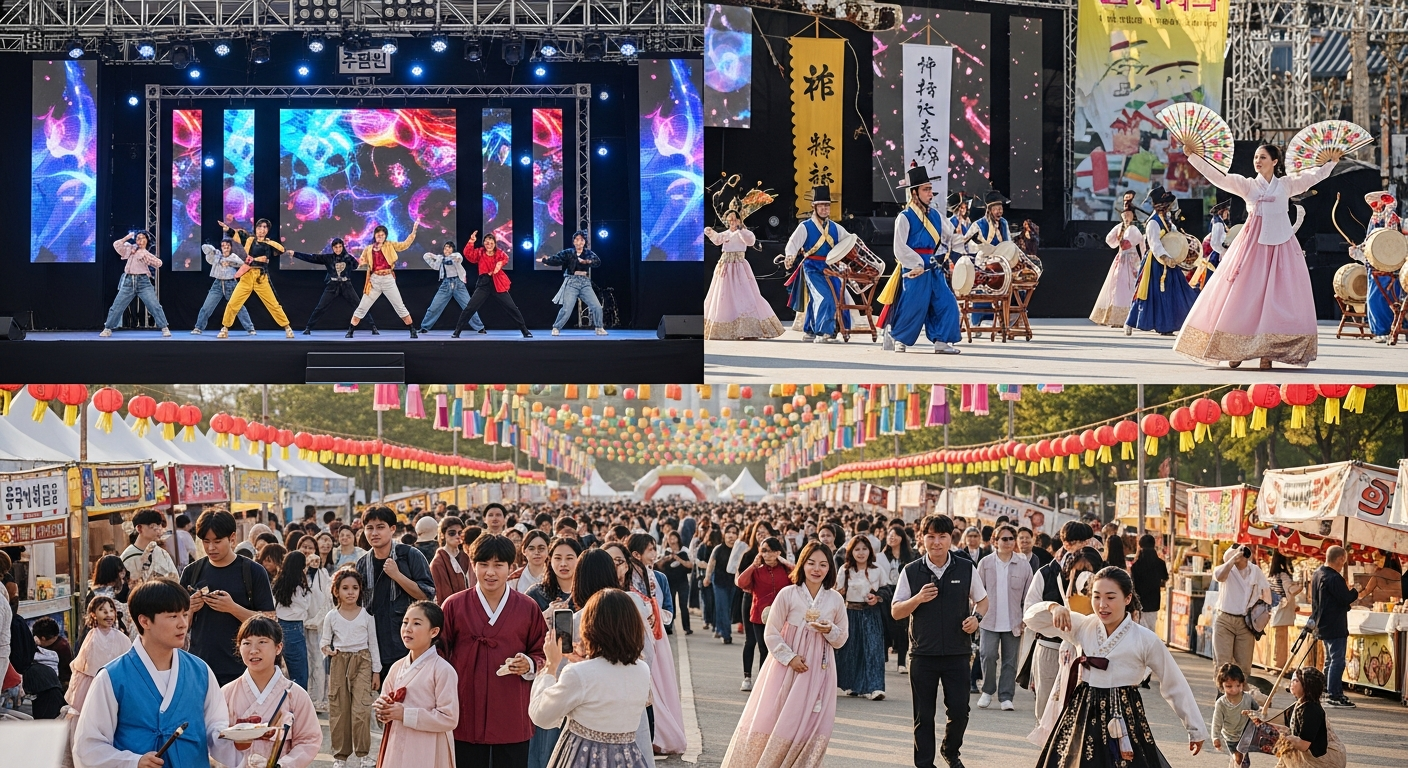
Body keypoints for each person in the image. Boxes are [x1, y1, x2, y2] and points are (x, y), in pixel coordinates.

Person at [1023, 566, 1207, 768]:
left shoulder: (1145, 639)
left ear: (1127, 598)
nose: (1102, 605)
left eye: (1110, 597)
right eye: (1097, 597)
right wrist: (1053, 607)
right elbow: (1031, 619)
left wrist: (1195, 728)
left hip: (1124, 713)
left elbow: (1173, 683)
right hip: (1083, 711)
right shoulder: (1083, 626)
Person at [1178, 143, 1342, 367]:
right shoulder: (1247, 185)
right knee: (1241, 295)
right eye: (1256, 157)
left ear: (1274, 162)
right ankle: (1234, 348)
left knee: (1278, 298)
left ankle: (1268, 353)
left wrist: (1331, 162)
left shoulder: (1286, 185)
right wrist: (1194, 158)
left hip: (1281, 245)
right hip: (1252, 246)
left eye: (1263, 157)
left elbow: (1313, 176)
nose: (1258, 161)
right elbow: (1219, 177)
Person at [71, 578, 243, 768]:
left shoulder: (200, 671)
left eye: (185, 615)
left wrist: (237, 740)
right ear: (144, 621)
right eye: (172, 616)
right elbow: (88, 747)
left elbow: (215, 727)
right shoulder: (112, 677)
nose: (182, 624)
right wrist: (133, 761)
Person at [721, 541, 848, 768]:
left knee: (815, 722)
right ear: (802, 565)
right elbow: (771, 633)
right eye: (811, 563)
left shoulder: (835, 599)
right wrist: (790, 658)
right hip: (785, 667)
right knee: (778, 717)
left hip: (819, 669)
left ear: (830, 568)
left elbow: (842, 640)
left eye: (823, 564)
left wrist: (830, 630)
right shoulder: (788, 594)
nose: (816, 569)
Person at [439, 534, 546, 768]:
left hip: (511, 708)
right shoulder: (454, 605)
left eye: (498, 565)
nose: (490, 572)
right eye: (484, 564)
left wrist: (529, 663)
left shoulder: (527, 607)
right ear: (472, 565)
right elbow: (439, 654)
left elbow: (543, 651)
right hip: (465, 706)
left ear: (511, 567)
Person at [891, 514, 989, 768]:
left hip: (958, 652)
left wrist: (976, 618)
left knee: (959, 711)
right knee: (923, 716)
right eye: (931, 536)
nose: (936, 542)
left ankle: (950, 749)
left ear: (950, 538)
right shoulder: (911, 571)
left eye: (942, 536)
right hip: (923, 654)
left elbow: (983, 600)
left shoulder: (965, 567)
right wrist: (917, 599)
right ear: (922, 538)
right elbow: (896, 611)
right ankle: (924, 763)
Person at [528, 588, 652, 768]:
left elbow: (542, 716)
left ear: (591, 627)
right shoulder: (642, 670)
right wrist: (586, 661)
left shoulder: (578, 674)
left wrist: (550, 666)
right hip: (627, 758)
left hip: (581, 757)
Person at [180, 509, 277, 687]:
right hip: (200, 667)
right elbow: (178, 625)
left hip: (243, 667)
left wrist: (232, 608)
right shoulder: (191, 572)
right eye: (206, 541)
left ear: (232, 538)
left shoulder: (253, 571)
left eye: (217, 541)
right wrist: (190, 609)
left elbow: (270, 620)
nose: (210, 548)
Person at [222, 616, 322, 768]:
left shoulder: (296, 695)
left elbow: (308, 741)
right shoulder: (227, 693)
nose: (254, 650)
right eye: (247, 643)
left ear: (278, 647)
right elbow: (214, 740)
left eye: (262, 642)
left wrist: (280, 765)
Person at [888, 164, 963, 355]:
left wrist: (965, 251)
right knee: (913, 304)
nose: (931, 193)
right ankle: (899, 339)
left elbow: (951, 238)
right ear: (914, 193)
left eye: (931, 189)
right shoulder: (904, 217)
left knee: (947, 302)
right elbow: (899, 247)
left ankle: (941, 341)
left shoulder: (936, 216)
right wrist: (917, 263)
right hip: (914, 266)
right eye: (926, 189)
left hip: (931, 264)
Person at [375, 601, 460, 768]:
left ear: (434, 631)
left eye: (416, 623)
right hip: (397, 741)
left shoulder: (443, 670)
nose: (408, 628)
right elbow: (385, 699)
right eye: (405, 622)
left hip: (427, 746)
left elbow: (449, 719)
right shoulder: (397, 667)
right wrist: (383, 710)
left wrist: (405, 714)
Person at [622, 535, 686, 755]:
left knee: (661, 683)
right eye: (650, 550)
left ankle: (659, 734)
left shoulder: (658, 577)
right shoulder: (624, 579)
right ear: (637, 555)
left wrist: (654, 615)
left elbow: (668, 610)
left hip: (657, 637)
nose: (654, 553)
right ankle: (651, 734)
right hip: (636, 637)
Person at [355, 506, 435, 674]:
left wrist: (397, 575)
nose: (374, 533)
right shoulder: (362, 563)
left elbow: (426, 595)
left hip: (406, 641)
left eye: (380, 527)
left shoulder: (410, 555)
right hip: (374, 643)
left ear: (392, 529)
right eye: (369, 528)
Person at [322, 567, 381, 768]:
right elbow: (324, 642)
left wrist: (376, 671)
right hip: (339, 662)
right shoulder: (331, 616)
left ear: (360, 590)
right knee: (339, 709)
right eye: (345, 588)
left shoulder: (366, 615)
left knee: (361, 709)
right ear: (336, 591)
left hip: (363, 661)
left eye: (355, 588)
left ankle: (364, 755)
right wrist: (328, 650)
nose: (350, 592)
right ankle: (340, 757)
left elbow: (373, 644)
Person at [1126, 186, 1199, 337]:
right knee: (1149, 292)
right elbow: (1154, 244)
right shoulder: (1153, 222)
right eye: (1169, 204)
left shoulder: (1166, 220)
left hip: (1169, 260)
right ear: (1163, 205)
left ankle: (1171, 324)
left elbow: (1173, 236)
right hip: (1156, 262)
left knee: (1176, 291)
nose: (1171, 207)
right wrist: (1165, 257)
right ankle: (1131, 322)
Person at [782, 185, 852, 343]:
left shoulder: (835, 227)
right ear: (814, 207)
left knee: (837, 297)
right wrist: (790, 256)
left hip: (831, 268)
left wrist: (847, 260)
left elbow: (849, 241)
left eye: (827, 205)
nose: (825, 209)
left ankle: (811, 330)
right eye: (821, 206)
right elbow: (792, 244)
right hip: (812, 268)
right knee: (824, 296)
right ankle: (823, 332)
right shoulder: (805, 227)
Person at [975, 524, 1033, 711]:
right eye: (1004, 538)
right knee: (987, 655)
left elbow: (1030, 595)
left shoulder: (1023, 565)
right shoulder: (985, 563)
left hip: (1014, 621)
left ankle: (1006, 696)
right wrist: (974, 615)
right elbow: (976, 591)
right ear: (995, 540)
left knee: (1010, 661)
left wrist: (1027, 618)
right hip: (988, 619)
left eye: (1011, 538)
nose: (1008, 542)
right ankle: (987, 690)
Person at [1310, 545, 1374, 708]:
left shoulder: (1317, 573)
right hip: (1335, 624)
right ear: (1339, 559)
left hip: (1322, 623)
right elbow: (1345, 598)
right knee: (1337, 660)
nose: (1343, 564)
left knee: (1330, 659)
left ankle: (1326, 690)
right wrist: (1354, 590)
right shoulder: (1334, 577)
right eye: (1343, 561)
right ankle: (1334, 694)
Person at [704, 210, 784, 339]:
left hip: (739, 267)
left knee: (745, 294)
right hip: (725, 266)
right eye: (729, 220)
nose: (732, 222)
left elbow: (750, 241)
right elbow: (717, 240)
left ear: (739, 220)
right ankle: (724, 328)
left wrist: (741, 229)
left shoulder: (744, 233)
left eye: (734, 219)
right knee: (723, 295)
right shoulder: (726, 233)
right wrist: (710, 233)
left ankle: (749, 329)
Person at [215, 218, 297, 338]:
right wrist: (227, 229)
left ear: (267, 230)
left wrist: (268, 243)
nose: (262, 230)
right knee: (233, 303)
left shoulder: (269, 244)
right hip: (247, 276)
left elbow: (281, 250)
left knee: (273, 304)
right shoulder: (250, 240)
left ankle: (287, 327)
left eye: (265, 227)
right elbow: (239, 239)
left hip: (260, 277)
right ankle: (225, 328)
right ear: (256, 228)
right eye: (259, 227)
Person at [1249, 667, 1346, 768]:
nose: (1291, 683)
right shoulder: (1301, 704)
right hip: (1310, 752)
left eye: (1295, 680)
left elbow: (1304, 745)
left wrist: (1279, 737)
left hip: (1326, 760)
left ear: (1307, 686)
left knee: (1286, 744)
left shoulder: (1311, 710)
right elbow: (1287, 728)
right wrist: (1260, 722)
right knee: (1285, 740)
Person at [835, 534, 889, 701]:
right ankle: (853, 685)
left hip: (871, 614)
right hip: (850, 613)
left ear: (870, 551)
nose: (861, 553)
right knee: (852, 650)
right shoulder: (845, 570)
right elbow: (836, 593)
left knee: (873, 649)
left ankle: (875, 687)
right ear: (851, 552)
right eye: (857, 549)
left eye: (864, 549)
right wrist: (841, 593)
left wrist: (877, 598)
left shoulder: (877, 569)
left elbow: (887, 591)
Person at [291, 237, 380, 334]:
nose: (338, 249)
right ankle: (308, 328)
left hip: (346, 285)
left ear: (343, 247)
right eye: (336, 247)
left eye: (340, 247)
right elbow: (312, 258)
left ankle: (373, 327)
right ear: (333, 248)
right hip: (332, 286)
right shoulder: (328, 258)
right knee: (321, 307)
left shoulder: (348, 257)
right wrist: (295, 254)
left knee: (359, 306)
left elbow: (355, 266)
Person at [454, 232, 533, 338]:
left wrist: (499, 264)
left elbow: (505, 258)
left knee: (512, 308)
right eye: (487, 243)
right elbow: (468, 254)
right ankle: (457, 331)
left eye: (491, 243)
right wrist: (471, 241)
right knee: (470, 308)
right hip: (484, 283)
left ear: (495, 244)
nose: (489, 245)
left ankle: (525, 330)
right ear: (484, 244)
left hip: (498, 283)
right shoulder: (480, 252)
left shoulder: (499, 253)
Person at [736, 535, 789, 691]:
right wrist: (754, 565)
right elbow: (741, 582)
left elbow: (798, 577)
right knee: (762, 647)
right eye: (763, 551)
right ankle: (755, 679)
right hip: (759, 614)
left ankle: (772, 681)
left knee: (778, 648)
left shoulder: (784, 569)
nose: (767, 555)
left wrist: (784, 561)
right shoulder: (757, 570)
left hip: (780, 615)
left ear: (778, 552)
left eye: (770, 551)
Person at [348, 223, 420, 338]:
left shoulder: (390, 245)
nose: (380, 237)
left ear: (385, 236)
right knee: (362, 306)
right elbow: (361, 261)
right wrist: (352, 262)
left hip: (388, 280)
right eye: (378, 235)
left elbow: (404, 245)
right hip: (374, 281)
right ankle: (350, 330)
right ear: (375, 236)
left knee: (399, 306)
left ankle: (412, 329)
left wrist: (414, 231)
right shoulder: (368, 249)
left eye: (382, 235)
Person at [1212, 544, 1271, 682]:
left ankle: (1240, 698)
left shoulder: (1255, 571)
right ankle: (1222, 696)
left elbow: (1267, 593)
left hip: (1245, 622)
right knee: (1223, 663)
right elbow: (1219, 577)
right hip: (1224, 619)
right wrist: (1232, 560)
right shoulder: (1227, 569)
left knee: (1244, 666)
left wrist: (1264, 615)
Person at [66, 596, 132, 715]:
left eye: (111, 610)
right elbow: (86, 669)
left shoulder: (122, 639)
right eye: (103, 610)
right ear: (93, 614)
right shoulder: (92, 638)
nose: (109, 614)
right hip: (94, 688)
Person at [100, 231, 172, 337]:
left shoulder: (146, 253)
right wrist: (127, 237)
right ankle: (108, 328)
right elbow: (116, 245)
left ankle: (164, 327)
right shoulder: (130, 248)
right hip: (128, 281)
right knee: (117, 306)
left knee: (154, 305)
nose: (140, 240)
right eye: (138, 238)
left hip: (143, 282)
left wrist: (149, 260)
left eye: (143, 238)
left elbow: (159, 263)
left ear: (147, 240)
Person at [540, 231, 606, 336]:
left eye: (581, 240)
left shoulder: (588, 253)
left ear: (584, 242)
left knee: (597, 306)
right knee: (567, 308)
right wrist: (545, 260)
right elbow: (557, 259)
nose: (579, 242)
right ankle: (556, 327)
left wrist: (587, 262)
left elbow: (597, 262)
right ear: (574, 241)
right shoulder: (568, 252)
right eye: (577, 239)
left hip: (585, 283)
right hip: (571, 282)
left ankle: (599, 327)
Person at [1358, 191, 1404, 343]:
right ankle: (1380, 329)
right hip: (1375, 264)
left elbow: (1397, 239)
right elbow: (1370, 241)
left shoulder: (1394, 218)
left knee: (1395, 296)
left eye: (1380, 203)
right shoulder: (1374, 219)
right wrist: (1360, 248)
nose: (1376, 206)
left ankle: (1394, 326)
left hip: (1394, 263)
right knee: (1376, 297)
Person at [1091, 202, 1144, 327]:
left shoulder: (1134, 228)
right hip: (1120, 258)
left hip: (1131, 259)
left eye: (1128, 215)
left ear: (1132, 215)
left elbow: (1134, 243)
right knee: (1115, 286)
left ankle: (1130, 316)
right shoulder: (1120, 227)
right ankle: (1114, 316)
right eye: (1124, 215)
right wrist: (1118, 239)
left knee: (1129, 286)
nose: (1126, 217)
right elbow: (1109, 239)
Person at [418, 239, 485, 334]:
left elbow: (457, 259)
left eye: (449, 248)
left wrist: (441, 258)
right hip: (445, 285)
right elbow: (428, 259)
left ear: (453, 249)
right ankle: (424, 327)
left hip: (458, 284)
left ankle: (480, 327)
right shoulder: (440, 260)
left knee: (469, 307)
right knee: (434, 307)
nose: (447, 250)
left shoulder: (456, 255)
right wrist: (435, 256)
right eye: (445, 248)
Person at [193, 238, 256, 334]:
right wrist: (212, 250)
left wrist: (230, 263)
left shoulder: (234, 256)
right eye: (223, 246)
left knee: (238, 306)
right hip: (217, 284)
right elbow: (205, 249)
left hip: (231, 284)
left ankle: (250, 328)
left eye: (227, 246)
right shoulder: (217, 256)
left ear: (231, 247)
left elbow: (244, 265)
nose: (225, 248)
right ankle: (198, 327)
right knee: (207, 306)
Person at [271, 550, 313, 690]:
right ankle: (299, 704)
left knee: (280, 669)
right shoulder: (299, 586)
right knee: (299, 671)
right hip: (295, 627)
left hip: (279, 625)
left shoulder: (278, 583)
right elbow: (305, 605)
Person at [881, 527, 917, 674]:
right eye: (890, 535)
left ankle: (902, 662)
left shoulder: (910, 556)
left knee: (903, 629)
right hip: (886, 592)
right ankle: (883, 659)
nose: (892, 537)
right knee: (886, 627)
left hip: (903, 592)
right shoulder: (881, 556)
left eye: (895, 535)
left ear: (902, 538)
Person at [1210, 663, 1261, 768]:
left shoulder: (1248, 699)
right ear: (1221, 685)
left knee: (1243, 761)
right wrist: (1215, 737)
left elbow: (1258, 711)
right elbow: (1217, 722)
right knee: (1239, 758)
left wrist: (1258, 715)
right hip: (1230, 736)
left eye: (1238, 685)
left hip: (1246, 735)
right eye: (1229, 686)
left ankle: (1234, 763)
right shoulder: (1221, 703)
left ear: (1242, 684)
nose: (1234, 689)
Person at [120, 510, 178, 588]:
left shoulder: (162, 553)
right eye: (153, 526)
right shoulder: (128, 556)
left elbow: (175, 580)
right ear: (139, 528)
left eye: (159, 526)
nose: (158, 530)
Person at [1267, 551, 1304, 670]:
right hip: (1282, 612)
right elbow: (1291, 590)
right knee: (1281, 640)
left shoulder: (1272, 575)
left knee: (1277, 639)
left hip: (1275, 610)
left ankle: (1275, 664)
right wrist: (1300, 586)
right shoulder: (1283, 576)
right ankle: (1279, 665)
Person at [705, 523, 740, 644]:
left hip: (733, 582)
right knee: (723, 607)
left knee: (727, 608)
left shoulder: (739, 550)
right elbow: (711, 563)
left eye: (734, 533)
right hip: (719, 582)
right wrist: (707, 577)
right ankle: (727, 635)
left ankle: (719, 628)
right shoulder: (718, 548)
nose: (731, 535)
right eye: (729, 532)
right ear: (724, 534)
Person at [430, 516, 474, 604]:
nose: (457, 536)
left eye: (460, 533)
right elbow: (442, 596)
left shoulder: (466, 555)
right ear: (443, 535)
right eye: (452, 533)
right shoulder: (438, 562)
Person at [1129, 535, 1168, 636]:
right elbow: (1165, 578)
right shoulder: (1160, 563)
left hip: (1140, 602)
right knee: (1151, 629)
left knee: (1141, 630)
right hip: (1154, 600)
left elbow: (1132, 584)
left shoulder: (1136, 566)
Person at [659, 531, 693, 635]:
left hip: (682, 582)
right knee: (670, 604)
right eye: (670, 539)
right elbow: (659, 566)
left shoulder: (684, 551)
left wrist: (679, 559)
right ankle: (669, 626)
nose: (672, 541)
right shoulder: (666, 552)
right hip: (670, 582)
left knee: (683, 605)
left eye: (674, 538)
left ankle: (686, 627)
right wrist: (665, 559)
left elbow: (690, 565)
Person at [1206, 199, 1231, 269]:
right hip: (1217, 253)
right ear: (1221, 211)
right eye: (1226, 212)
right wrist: (1225, 250)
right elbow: (1216, 242)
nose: (1228, 213)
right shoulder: (1218, 223)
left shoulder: (1218, 220)